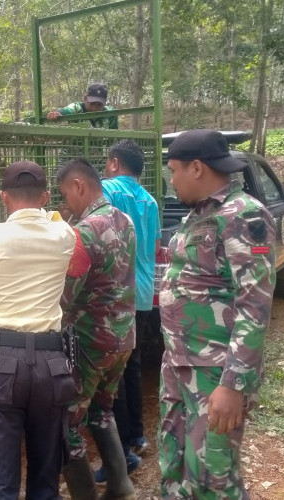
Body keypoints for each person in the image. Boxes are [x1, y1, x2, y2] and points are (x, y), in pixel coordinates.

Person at [159, 129, 276, 499]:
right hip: (180, 365)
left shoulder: (244, 216)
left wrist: (233, 384)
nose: (171, 180)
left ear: (196, 168)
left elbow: (254, 303)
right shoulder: (197, 216)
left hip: (215, 373)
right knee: (174, 465)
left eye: (173, 171)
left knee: (213, 478)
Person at [0, 161, 78, 500]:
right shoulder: (64, 235)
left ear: (2, 196)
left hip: (0, 363)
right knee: (46, 474)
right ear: (45, 196)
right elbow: (58, 223)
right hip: (53, 365)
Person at [57, 159, 137, 500]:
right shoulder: (126, 221)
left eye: (65, 194)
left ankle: (85, 495)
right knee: (102, 410)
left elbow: (66, 294)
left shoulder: (85, 232)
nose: (66, 203)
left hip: (90, 341)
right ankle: (120, 486)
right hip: (123, 336)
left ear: (79, 186)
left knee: (66, 423)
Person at [99, 139, 161, 478]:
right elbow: (153, 245)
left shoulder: (107, 191)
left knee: (113, 373)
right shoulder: (149, 200)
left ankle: (121, 451)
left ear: (113, 162)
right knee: (132, 363)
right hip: (142, 291)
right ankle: (137, 433)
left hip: (115, 292)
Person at [46, 83, 118, 130]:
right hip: (73, 151)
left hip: (96, 152)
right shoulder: (77, 107)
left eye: (99, 104)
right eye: (92, 103)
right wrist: (57, 114)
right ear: (85, 99)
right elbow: (66, 110)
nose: (95, 107)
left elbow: (115, 137)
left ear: (105, 102)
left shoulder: (110, 113)